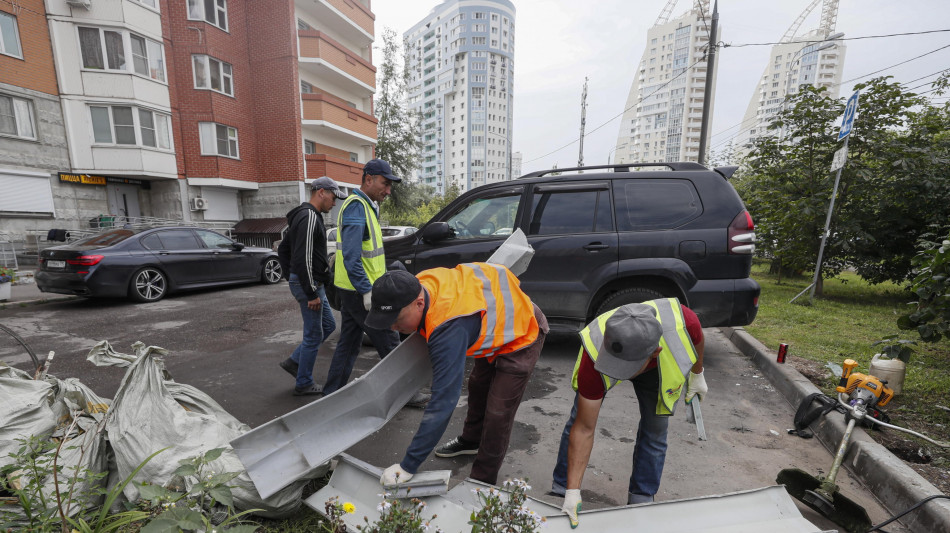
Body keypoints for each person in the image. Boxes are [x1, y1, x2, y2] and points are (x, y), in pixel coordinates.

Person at [365, 264, 549, 487]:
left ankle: (481, 481)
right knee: (478, 387)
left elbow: (443, 402)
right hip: (491, 323)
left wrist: (408, 466)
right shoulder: (420, 283)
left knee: (498, 413)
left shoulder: (448, 327)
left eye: (397, 320)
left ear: (419, 303)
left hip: (522, 331)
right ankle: (471, 441)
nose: (393, 328)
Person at [552, 299, 707, 528]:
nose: (619, 374)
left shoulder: (685, 323)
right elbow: (584, 429)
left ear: (655, 352)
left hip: (658, 369)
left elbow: (698, 339)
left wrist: (697, 372)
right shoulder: (595, 352)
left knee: (655, 429)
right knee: (580, 419)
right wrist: (573, 491)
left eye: (625, 368)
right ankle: (563, 490)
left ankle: (641, 499)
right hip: (602, 360)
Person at [322, 159, 431, 407]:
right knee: (390, 341)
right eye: (385, 183)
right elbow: (351, 257)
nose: (388, 190)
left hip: (352, 290)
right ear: (368, 179)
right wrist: (367, 291)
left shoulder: (364, 206)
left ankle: (331, 394)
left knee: (349, 344)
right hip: (361, 292)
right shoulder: (357, 207)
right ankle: (407, 393)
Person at [276, 176, 347, 396]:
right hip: (311, 285)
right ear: (321, 192)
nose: (334, 203)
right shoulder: (308, 217)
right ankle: (304, 382)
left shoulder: (307, 216)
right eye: (333, 197)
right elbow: (303, 258)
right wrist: (309, 291)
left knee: (328, 325)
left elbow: (283, 249)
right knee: (314, 335)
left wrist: (291, 276)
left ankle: (294, 362)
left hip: (311, 283)